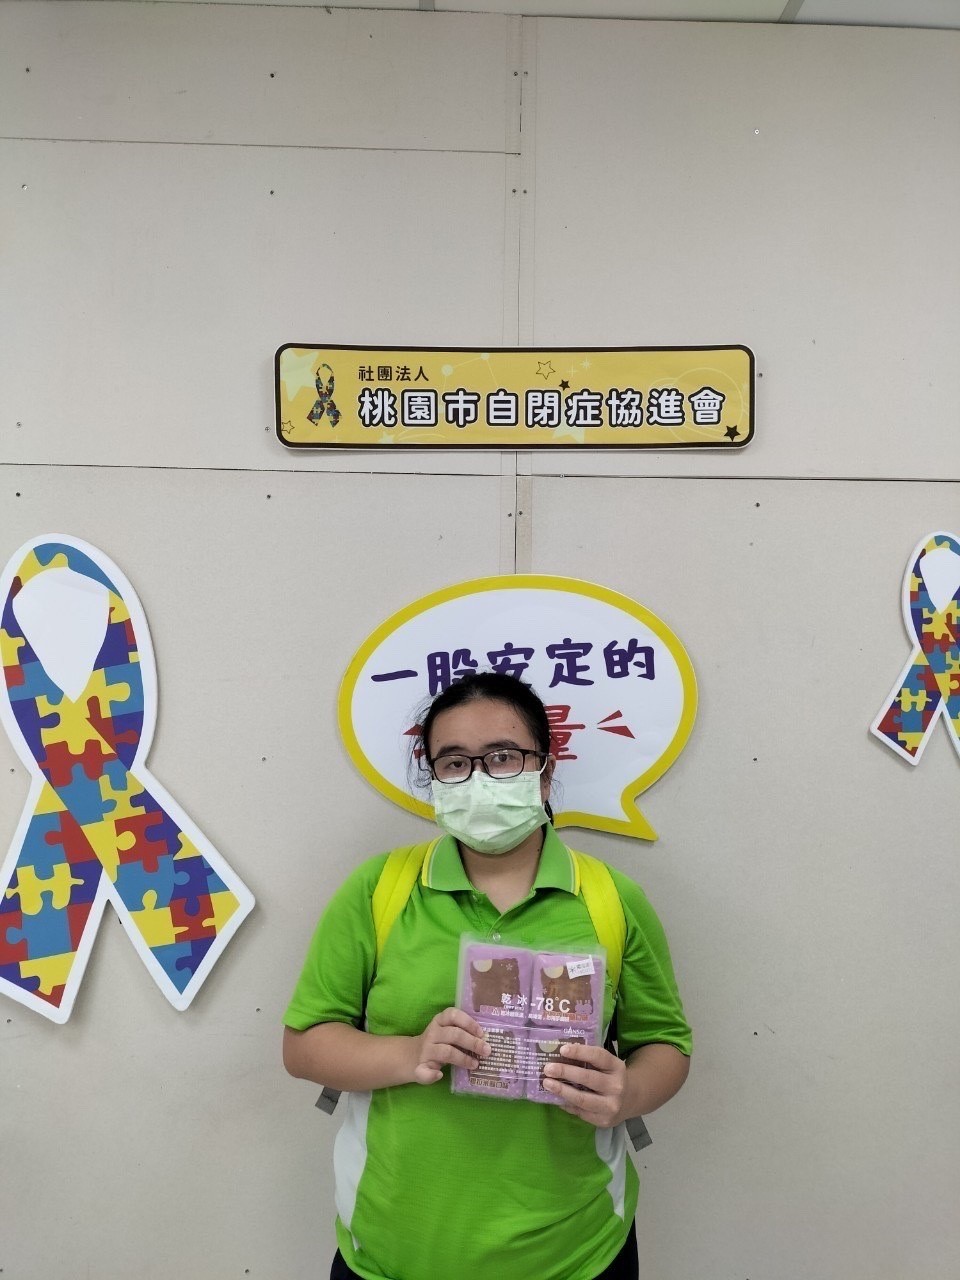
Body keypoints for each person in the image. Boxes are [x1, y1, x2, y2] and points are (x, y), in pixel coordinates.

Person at [283, 672, 691, 1280]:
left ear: (544, 771)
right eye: (454, 763)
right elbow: (303, 1046)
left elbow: (666, 1044)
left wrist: (627, 1092)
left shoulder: (612, 899)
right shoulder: (379, 890)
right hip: (394, 1252)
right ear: (432, 777)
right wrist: (411, 1054)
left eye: (503, 757)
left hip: (576, 1254)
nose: (478, 778)